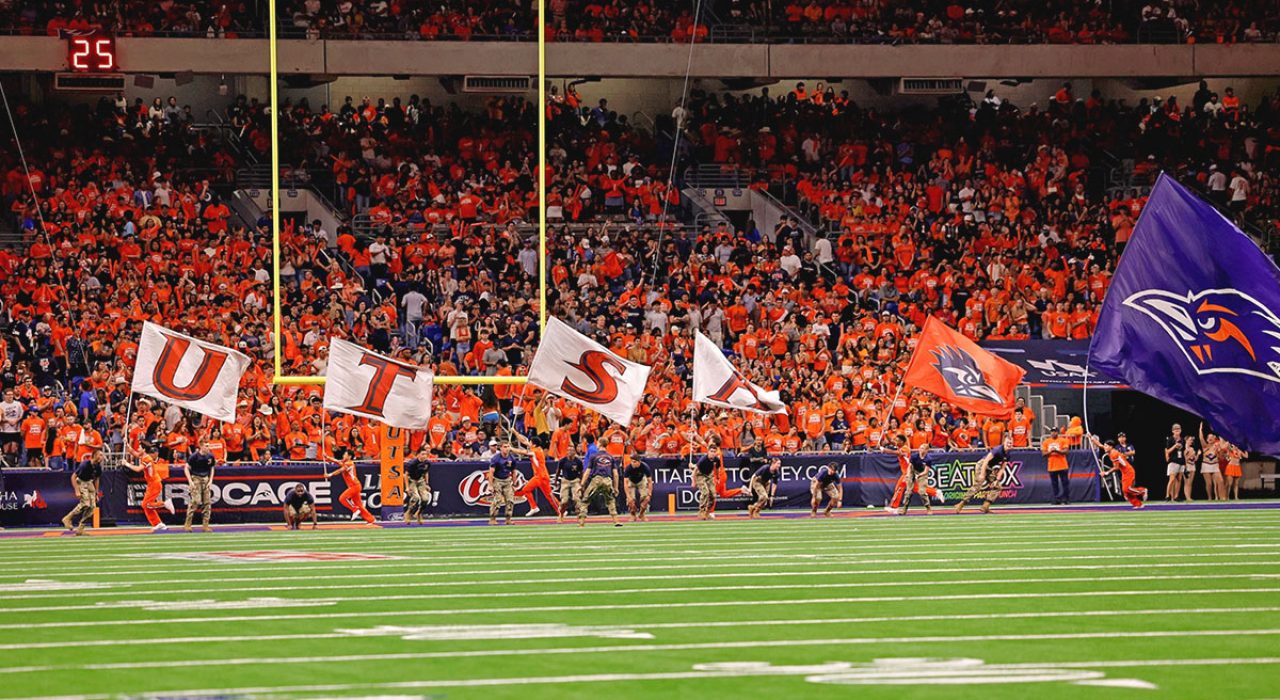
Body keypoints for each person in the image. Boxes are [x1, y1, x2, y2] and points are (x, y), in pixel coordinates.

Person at [955, 435, 1012, 514]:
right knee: (977, 485)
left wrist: (996, 480)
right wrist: (982, 474)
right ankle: (961, 504)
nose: (1009, 445)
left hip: (990, 468)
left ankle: (985, 506)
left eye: (1010, 443)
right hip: (982, 465)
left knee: (997, 486)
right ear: (1004, 443)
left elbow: (1002, 468)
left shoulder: (1008, 454)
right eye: (1007, 443)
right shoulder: (998, 450)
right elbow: (985, 461)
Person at [885, 435, 942, 514]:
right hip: (907, 471)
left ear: (902, 442)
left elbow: (897, 453)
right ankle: (935, 492)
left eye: (897, 440)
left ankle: (894, 507)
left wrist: (884, 450)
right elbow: (891, 441)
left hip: (908, 471)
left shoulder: (905, 448)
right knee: (915, 488)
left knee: (900, 487)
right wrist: (885, 433)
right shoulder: (900, 446)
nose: (895, 442)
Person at [1088, 434, 1147, 508]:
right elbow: (1100, 445)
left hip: (1128, 471)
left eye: (1106, 446)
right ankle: (1138, 504)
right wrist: (1091, 438)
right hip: (1125, 472)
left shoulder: (1113, 454)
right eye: (1105, 445)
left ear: (1111, 447)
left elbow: (1116, 468)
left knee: (1127, 489)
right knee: (1125, 492)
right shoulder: (1109, 450)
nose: (1105, 447)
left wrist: (1106, 473)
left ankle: (1142, 491)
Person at [123, 445, 174, 531]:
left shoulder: (147, 459)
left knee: (147, 504)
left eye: (139, 448)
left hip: (155, 483)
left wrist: (126, 464)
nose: (138, 449)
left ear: (144, 449)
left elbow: (138, 469)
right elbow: (134, 453)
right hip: (152, 484)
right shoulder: (144, 456)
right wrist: (127, 445)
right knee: (145, 505)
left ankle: (165, 503)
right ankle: (158, 523)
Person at [510, 433, 559, 517]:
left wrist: (510, 448)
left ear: (534, 444)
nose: (529, 442)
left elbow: (522, 452)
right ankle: (559, 510)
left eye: (530, 442)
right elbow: (524, 441)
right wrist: (515, 432)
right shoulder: (537, 448)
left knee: (527, 490)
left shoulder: (535, 451)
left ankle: (535, 507)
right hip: (541, 476)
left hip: (540, 476)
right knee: (548, 495)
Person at [326, 446, 375, 524]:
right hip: (354, 486)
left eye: (345, 454)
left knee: (342, 498)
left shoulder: (349, 463)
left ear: (349, 456)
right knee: (359, 505)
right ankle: (371, 519)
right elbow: (337, 461)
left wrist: (330, 474)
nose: (343, 455)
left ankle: (354, 509)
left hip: (354, 486)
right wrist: (327, 457)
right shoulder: (345, 462)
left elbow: (340, 470)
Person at [578, 448, 622, 527]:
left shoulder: (594, 456)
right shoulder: (611, 457)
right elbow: (615, 474)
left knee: (585, 500)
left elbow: (587, 472)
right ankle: (616, 521)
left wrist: (581, 485)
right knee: (610, 500)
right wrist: (616, 487)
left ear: (599, 444)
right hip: (608, 480)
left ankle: (581, 523)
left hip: (597, 480)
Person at [61, 452, 102, 535]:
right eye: (100, 455)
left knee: (92, 507)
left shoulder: (98, 466)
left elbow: (97, 479)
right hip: (81, 481)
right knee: (85, 503)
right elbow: (73, 476)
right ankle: (68, 518)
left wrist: (96, 492)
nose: (102, 457)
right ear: (94, 456)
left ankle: (81, 528)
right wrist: (77, 490)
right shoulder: (85, 464)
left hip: (89, 483)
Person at [183, 440, 217, 532]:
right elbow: (186, 467)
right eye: (206, 446)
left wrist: (210, 481)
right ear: (201, 446)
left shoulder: (210, 456)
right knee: (195, 501)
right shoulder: (194, 456)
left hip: (205, 478)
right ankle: (188, 524)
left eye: (208, 446)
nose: (208, 448)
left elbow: (212, 467)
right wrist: (190, 481)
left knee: (207, 502)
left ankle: (205, 525)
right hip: (196, 478)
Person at [897, 444, 939, 515]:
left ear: (926, 450)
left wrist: (919, 475)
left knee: (922, 492)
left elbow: (926, 471)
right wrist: (908, 474)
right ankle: (904, 509)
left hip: (922, 473)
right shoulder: (914, 456)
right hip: (913, 471)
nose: (920, 450)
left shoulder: (928, 459)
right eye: (920, 448)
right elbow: (910, 466)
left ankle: (928, 507)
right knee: (908, 492)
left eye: (922, 448)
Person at [486, 439, 517, 525]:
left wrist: (514, 484)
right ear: (501, 448)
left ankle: (508, 518)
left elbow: (514, 471)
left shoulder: (512, 458)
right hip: (497, 480)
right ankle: (493, 518)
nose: (507, 449)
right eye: (505, 447)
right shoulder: (495, 459)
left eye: (508, 446)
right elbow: (491, 472)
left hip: (507, 480)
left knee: (510, 500)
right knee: (497, 500)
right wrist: (490, 485)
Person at [690, 445, 722, 520]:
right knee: (705, 492)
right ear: (708, 451)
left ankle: (707, 512)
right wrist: (693, 482)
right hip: (700, 475)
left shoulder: (716, 459)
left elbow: (717, 469)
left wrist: (717, 477)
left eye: (714, 452)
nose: (713, 453)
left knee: (713, 495)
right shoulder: (703, 459)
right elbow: (694, 471)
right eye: (711, 451)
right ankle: (702, 511)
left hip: (709, 475)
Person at [555, 442, 584, 524]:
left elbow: (581, 472)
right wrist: (556, 481)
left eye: (572, 450)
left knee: (577, 499)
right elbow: (558, 471)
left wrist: (581, 483)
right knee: (564, 500)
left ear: (575, 452)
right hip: (565, 480)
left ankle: (579, 516)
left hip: (575, 480)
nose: (570, 452)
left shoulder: (578, 461)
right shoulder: (562, 461)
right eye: (568, 450)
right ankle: (561, 515)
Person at [1043, 425, 1071, 505]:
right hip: (1052, 466)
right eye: (1052, 431)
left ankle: (1066, 499)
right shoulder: (1046, 442)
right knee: (1054, 485)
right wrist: (1051, 452)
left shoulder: (1063, 440)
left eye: (1055, 432)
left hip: (1062, 465)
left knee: (1065, 483)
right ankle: (1056, 499)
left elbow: (1066, 451)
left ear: (1057, 433)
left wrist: (1057, 451)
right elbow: (1044, 454)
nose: (1053, 433)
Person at [403, 446, 432, 525]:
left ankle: (419, 513)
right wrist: (407, 487)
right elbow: (405, 475)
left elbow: (426, 473)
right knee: (416, 498)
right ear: (418, 455)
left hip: (420, 480)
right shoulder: (412, 463)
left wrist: (427, 484)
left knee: (425, 498)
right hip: (411, 480)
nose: (424, 456)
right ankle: (408, 513)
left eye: (425, 454)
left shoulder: (427, 463)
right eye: (422, 454)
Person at [622, 457, 653, 521]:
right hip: (631, 482)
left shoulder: (645, 467)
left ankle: (642, 514)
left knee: (645, 499)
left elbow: (650, 481)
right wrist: (628, 496)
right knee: (631, 501)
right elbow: (625, 483)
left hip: (641, 481)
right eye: (632, 461)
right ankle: (633, 515)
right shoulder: (628, 468)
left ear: (639, 462)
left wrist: (649, 494)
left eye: (634, 462)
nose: (632, 463)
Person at [1199, 424, 1225, 501]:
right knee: (1209, 484)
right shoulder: (1205, 446)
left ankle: (1222, 497)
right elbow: (1201, 438)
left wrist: (1219, 451)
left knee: (1220, 481)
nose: (1210, 439)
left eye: (1212, 437)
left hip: (1215, 465)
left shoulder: (1217, 446)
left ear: (1214, 439)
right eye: (1209, 438)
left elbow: (1221, 458)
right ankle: (1210, 497)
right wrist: (1200, 429)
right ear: (1207, 439)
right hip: (1206, 465)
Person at [1164, 423, 1188, 501]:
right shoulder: (1170, 439)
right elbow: (1167, 451)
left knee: (1179, 479)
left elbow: (1183, 451)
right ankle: (1167, 495)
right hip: (1173, 461)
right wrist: (1175, 445)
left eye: (1179, 430)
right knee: (1172, 479)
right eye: (1176, 430)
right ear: (1173, 431)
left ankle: (1176, 496)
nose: (1177, 431)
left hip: (1181, 460)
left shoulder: (1182, 439)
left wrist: (1185, 463)